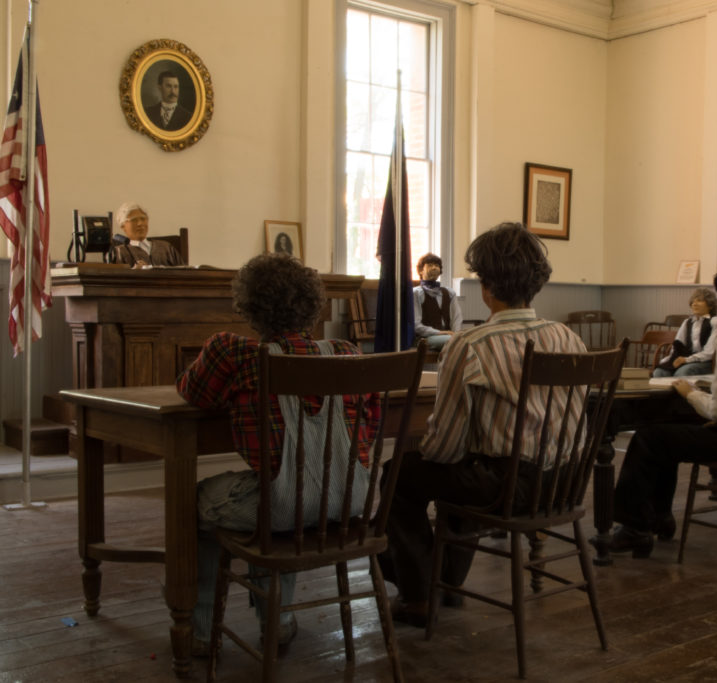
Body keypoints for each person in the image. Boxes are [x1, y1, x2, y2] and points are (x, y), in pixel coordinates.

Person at [379, 222, 586, 626]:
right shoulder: (567, 338)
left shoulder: (471, 345)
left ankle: (419, 594)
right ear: (536, 285)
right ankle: (448, 581)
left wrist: (438, 453)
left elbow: (446, 447)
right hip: (565, 484)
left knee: (401, 473)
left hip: (510, 487)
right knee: (468, 468)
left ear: (486, 288)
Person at [176, 253, 379, 655]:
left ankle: (198, 632)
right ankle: (279, 620)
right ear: (312, 305)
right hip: (350, 501)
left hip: (283, 505)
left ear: (248, 307)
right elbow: (369, 429)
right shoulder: (347, 354)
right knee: (281, 492)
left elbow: (193, 392)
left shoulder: (232, 353)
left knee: (199, 497)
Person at [606, 259, 717, 557]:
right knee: (663, 437)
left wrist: (689, 393)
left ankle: (636, 528)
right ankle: (659, 518)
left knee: (648, 438)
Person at [653, 287, 717, 377]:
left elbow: (710, 353)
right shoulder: (687, 322)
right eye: (693, 301)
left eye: (699, 300)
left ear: (710, 305)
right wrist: (670, 360)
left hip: (708, 362)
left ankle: (684, 391)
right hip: (688, 359)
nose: (694, 304)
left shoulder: (716, 322)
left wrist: (686, 360)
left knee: (682, 373)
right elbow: (678, 345)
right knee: (659, 372)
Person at [108, 202, 185, 267]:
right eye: (134, 220)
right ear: (123, 226)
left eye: (143, 219)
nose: (140, 223)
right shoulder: (119, 252)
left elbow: (185, 274)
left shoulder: (166, 248)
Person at [413, 252, 463, 351]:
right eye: (430, 265)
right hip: (424, 338)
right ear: (421, 271)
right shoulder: (416, 293)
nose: (434, 268)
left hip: (449, 336)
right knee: (454, 341)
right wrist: (440, 333)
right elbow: (416, 325)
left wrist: (456, 334)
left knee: (462, 340)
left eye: (436, 265)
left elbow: (457, 318)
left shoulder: (449, 293)